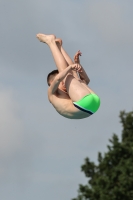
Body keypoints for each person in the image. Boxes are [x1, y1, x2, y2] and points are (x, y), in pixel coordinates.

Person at [36, 33, 100, 119]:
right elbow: (59, 78)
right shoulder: (51, 93)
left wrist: (77, 64)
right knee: (67, 73)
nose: (63, 83)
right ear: (51, 82)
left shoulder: (69, 94)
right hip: (85, 104)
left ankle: (59, 46)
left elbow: (86, 80)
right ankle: (51, 42)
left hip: (92, 103)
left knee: (73, 75)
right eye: (61, 82)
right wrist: (70, 67)